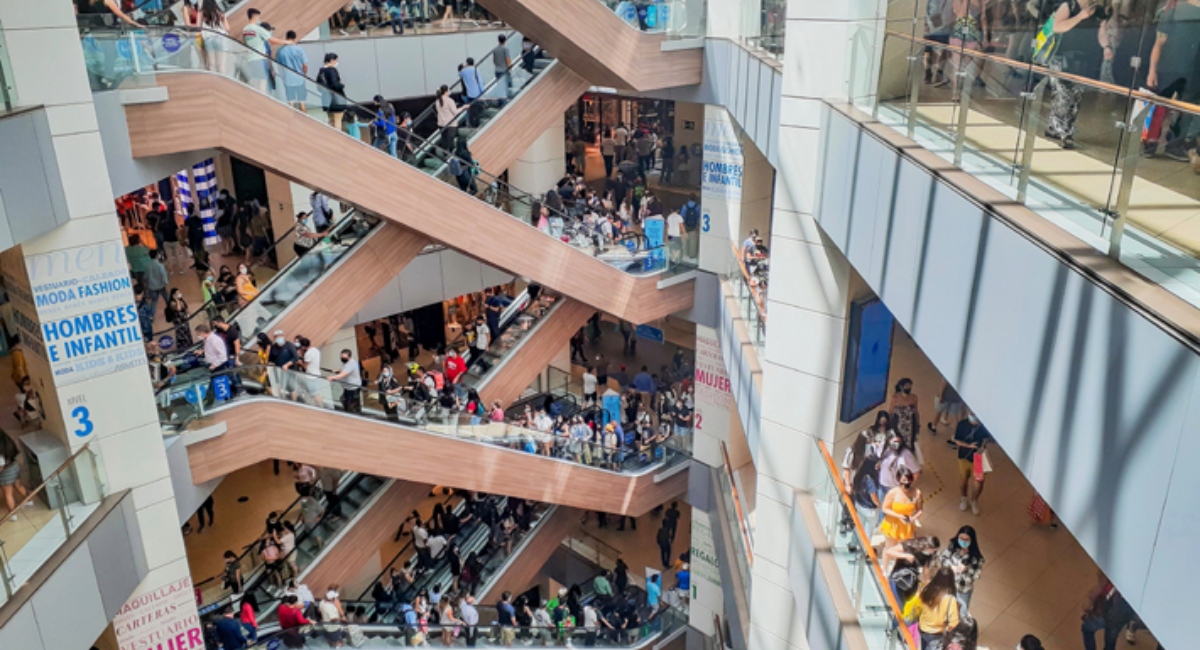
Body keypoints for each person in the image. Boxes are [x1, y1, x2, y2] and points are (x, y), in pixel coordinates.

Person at [1042, 0, 1108, 150]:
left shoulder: (1097, 10)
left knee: (1075, 96)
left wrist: (1106, 47)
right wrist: (1080, 16)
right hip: (1061, 57)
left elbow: (1102, 32)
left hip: (1083, 59)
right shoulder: (1069, 6)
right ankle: (1066, 133)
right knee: (1063, 95)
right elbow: (1057, 27)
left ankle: (1054, 127)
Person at [1145, 0, 1200, 162]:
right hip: (1172, 69)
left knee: (1185, 109)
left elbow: (1159, 43)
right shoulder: (1173, 10)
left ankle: (1172, 143)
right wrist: (1152, 70)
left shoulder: (1173, 9)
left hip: (1190, 70)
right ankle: (1154, 142)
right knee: (1161, 106)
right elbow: (1159, 43)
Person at [936, 525, 983, 615]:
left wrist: (966, 569)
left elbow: (976, 575)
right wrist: (951, 567)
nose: (963, 541)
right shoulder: (952, 546)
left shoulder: (975, 557)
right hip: (947, 585)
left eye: (966, 540)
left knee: (962, 612)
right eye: (961, 538)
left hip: (963, 589)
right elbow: (943, 558)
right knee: (943, 609)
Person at [952, 412, 991, 515]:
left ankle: (974, 501)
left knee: (978, 482)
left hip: (978, 458)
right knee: (963, 480)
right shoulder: (962, 425)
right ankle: (964, 498)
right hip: (964, 457)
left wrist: (983, 446)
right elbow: (956, 440)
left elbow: (987, 439)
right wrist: (969, 446)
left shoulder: (983, 427)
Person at [240, 8, 286, 93]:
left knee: (255, 83)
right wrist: (287, 42)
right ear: (255, 16)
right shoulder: (258, 30)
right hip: (260, 59)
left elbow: (245, 43)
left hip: (250, 59)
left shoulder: (245, 30)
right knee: (262, 83)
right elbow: (272, 40)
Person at [879, 466, 922, 554]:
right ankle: (886, 566)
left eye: (908, 480)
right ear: (898, 480)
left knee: (904, 549)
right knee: (889, 548)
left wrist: (913, 518)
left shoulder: (917, 493)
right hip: (892, 524)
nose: (906, 484)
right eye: (903, 480)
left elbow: (920, 510)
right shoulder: (892, 492)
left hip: (907, 525)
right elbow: (884, 508)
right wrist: (899, 516)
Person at [916, 567, 960, 649]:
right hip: (937, 633)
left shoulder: (925, 589)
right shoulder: (950, 599)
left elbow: (917, 606)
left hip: (923, 628)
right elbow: (954, 623)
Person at [276, 31, 310, 111]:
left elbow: (279, 66)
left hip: (288, 78)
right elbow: (304, 65)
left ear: (286, 38)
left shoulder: (280, 50)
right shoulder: (299, 49)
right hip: (299, 77)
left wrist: (282, 76)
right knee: (302, 101)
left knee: (290, 101)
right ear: (294, 38)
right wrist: (304, 74)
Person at [317, 52, 347, 130]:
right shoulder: (332, 70)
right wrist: (342, 85)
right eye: (336, 60)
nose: (337, 62)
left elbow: (319, 87)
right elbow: (336, 85)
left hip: (326, 100)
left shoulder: (321, 71)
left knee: (331, 120)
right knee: (337, 120)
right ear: (331, 60)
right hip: (337, 100)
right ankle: (338, 138)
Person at [889, 378, 921, 451]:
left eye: (910, 386)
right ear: (901, 387)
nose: (908, 388)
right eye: (906, 386)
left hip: (910, 425)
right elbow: (891, 411)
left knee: (909, 444)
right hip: (898, 424)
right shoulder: (895, 398)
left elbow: (916, 411)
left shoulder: (913, 397)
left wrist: (918, 424)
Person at [435, 85, 461, 151]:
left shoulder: (437, 101)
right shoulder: (449, 101)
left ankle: (445, 154)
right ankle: (450, 154)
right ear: (446, 92)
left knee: (444, 140)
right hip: (450, 123)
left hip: (441, 123)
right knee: (450, 141)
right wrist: (463, 107)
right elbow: (455, 112)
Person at [491, 34, 511, 100]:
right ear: (505, 40)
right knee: (505, 87)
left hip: (497, 70)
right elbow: (507, 59)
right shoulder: (506, 49)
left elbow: (494, 61)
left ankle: (500, 101)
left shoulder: (495, 49)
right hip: (504, 70)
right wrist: (510, 67)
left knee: (499, 87)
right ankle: (504, 101)